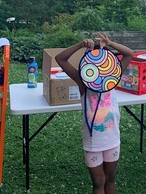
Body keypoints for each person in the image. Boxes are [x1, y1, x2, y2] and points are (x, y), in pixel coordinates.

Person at [55, 33, 134, 194]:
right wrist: (80, 45)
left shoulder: (112, 80)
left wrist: (110, 43)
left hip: (112, 140)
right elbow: (60, 58)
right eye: (89, 60)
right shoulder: (81, 81)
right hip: (93, 143)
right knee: (99, 182)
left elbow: (129, 54)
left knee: (110, 179)